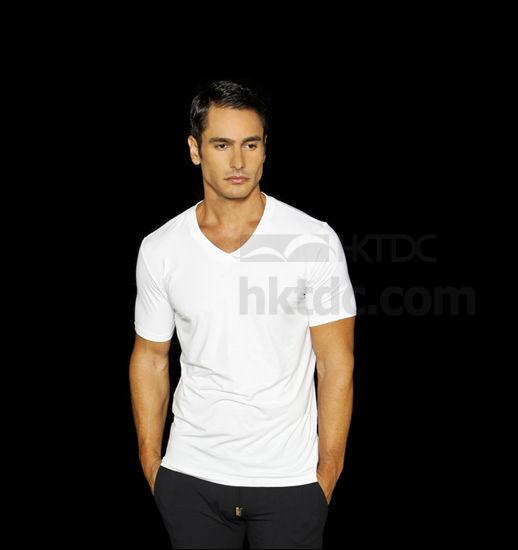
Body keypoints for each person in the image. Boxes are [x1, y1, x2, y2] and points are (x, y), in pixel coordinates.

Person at [129, 79, 356, 549]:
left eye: (250, 145)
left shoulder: (312, 240)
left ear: (265, 148)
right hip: (191, 476)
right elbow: (150, 357)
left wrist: (327, 473)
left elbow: (336, 363)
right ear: (195, 150)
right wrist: (153, 465)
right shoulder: (161, 248)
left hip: (290, 480)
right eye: (221, 145)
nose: (238, 161)